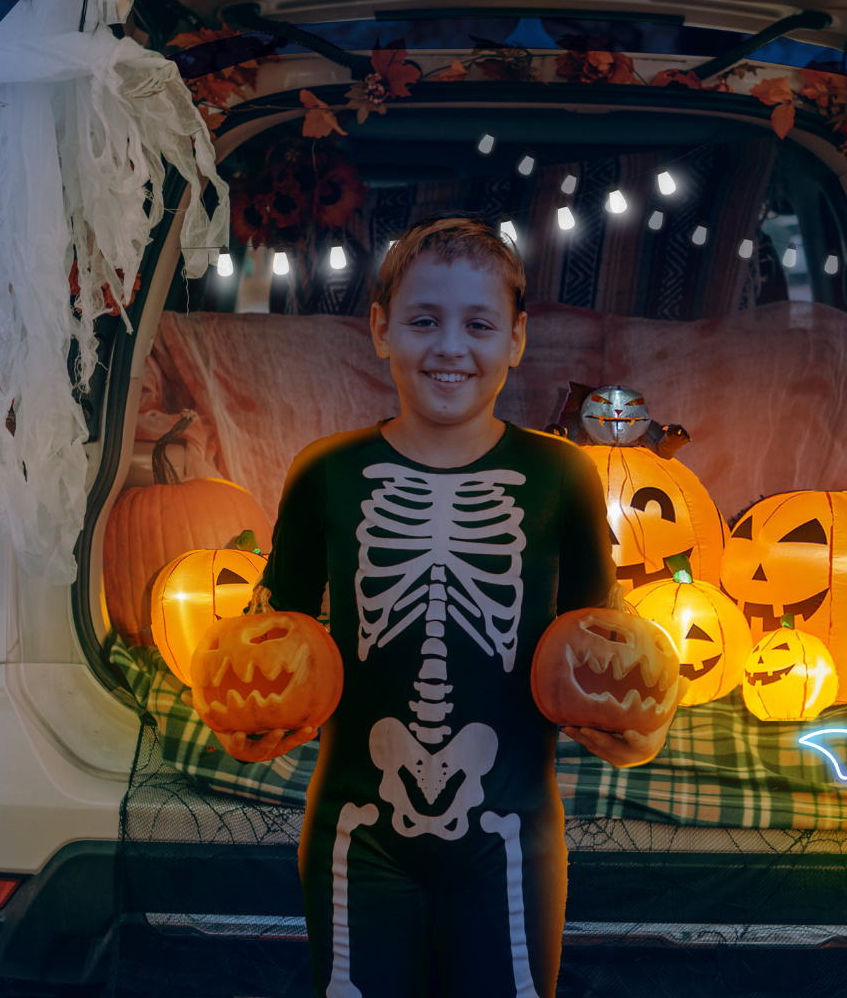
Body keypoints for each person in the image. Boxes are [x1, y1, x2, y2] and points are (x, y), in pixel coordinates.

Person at [244, 216, 617, 997]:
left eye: (479, 325)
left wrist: (627, 736)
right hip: (357, 833)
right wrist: (254, 724)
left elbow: (600, 652)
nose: (451, 348)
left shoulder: (565, 476)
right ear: (381, 330)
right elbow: (270, 636)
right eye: (423, 321)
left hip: (513, 838)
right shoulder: (326, 472)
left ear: (516, 340)